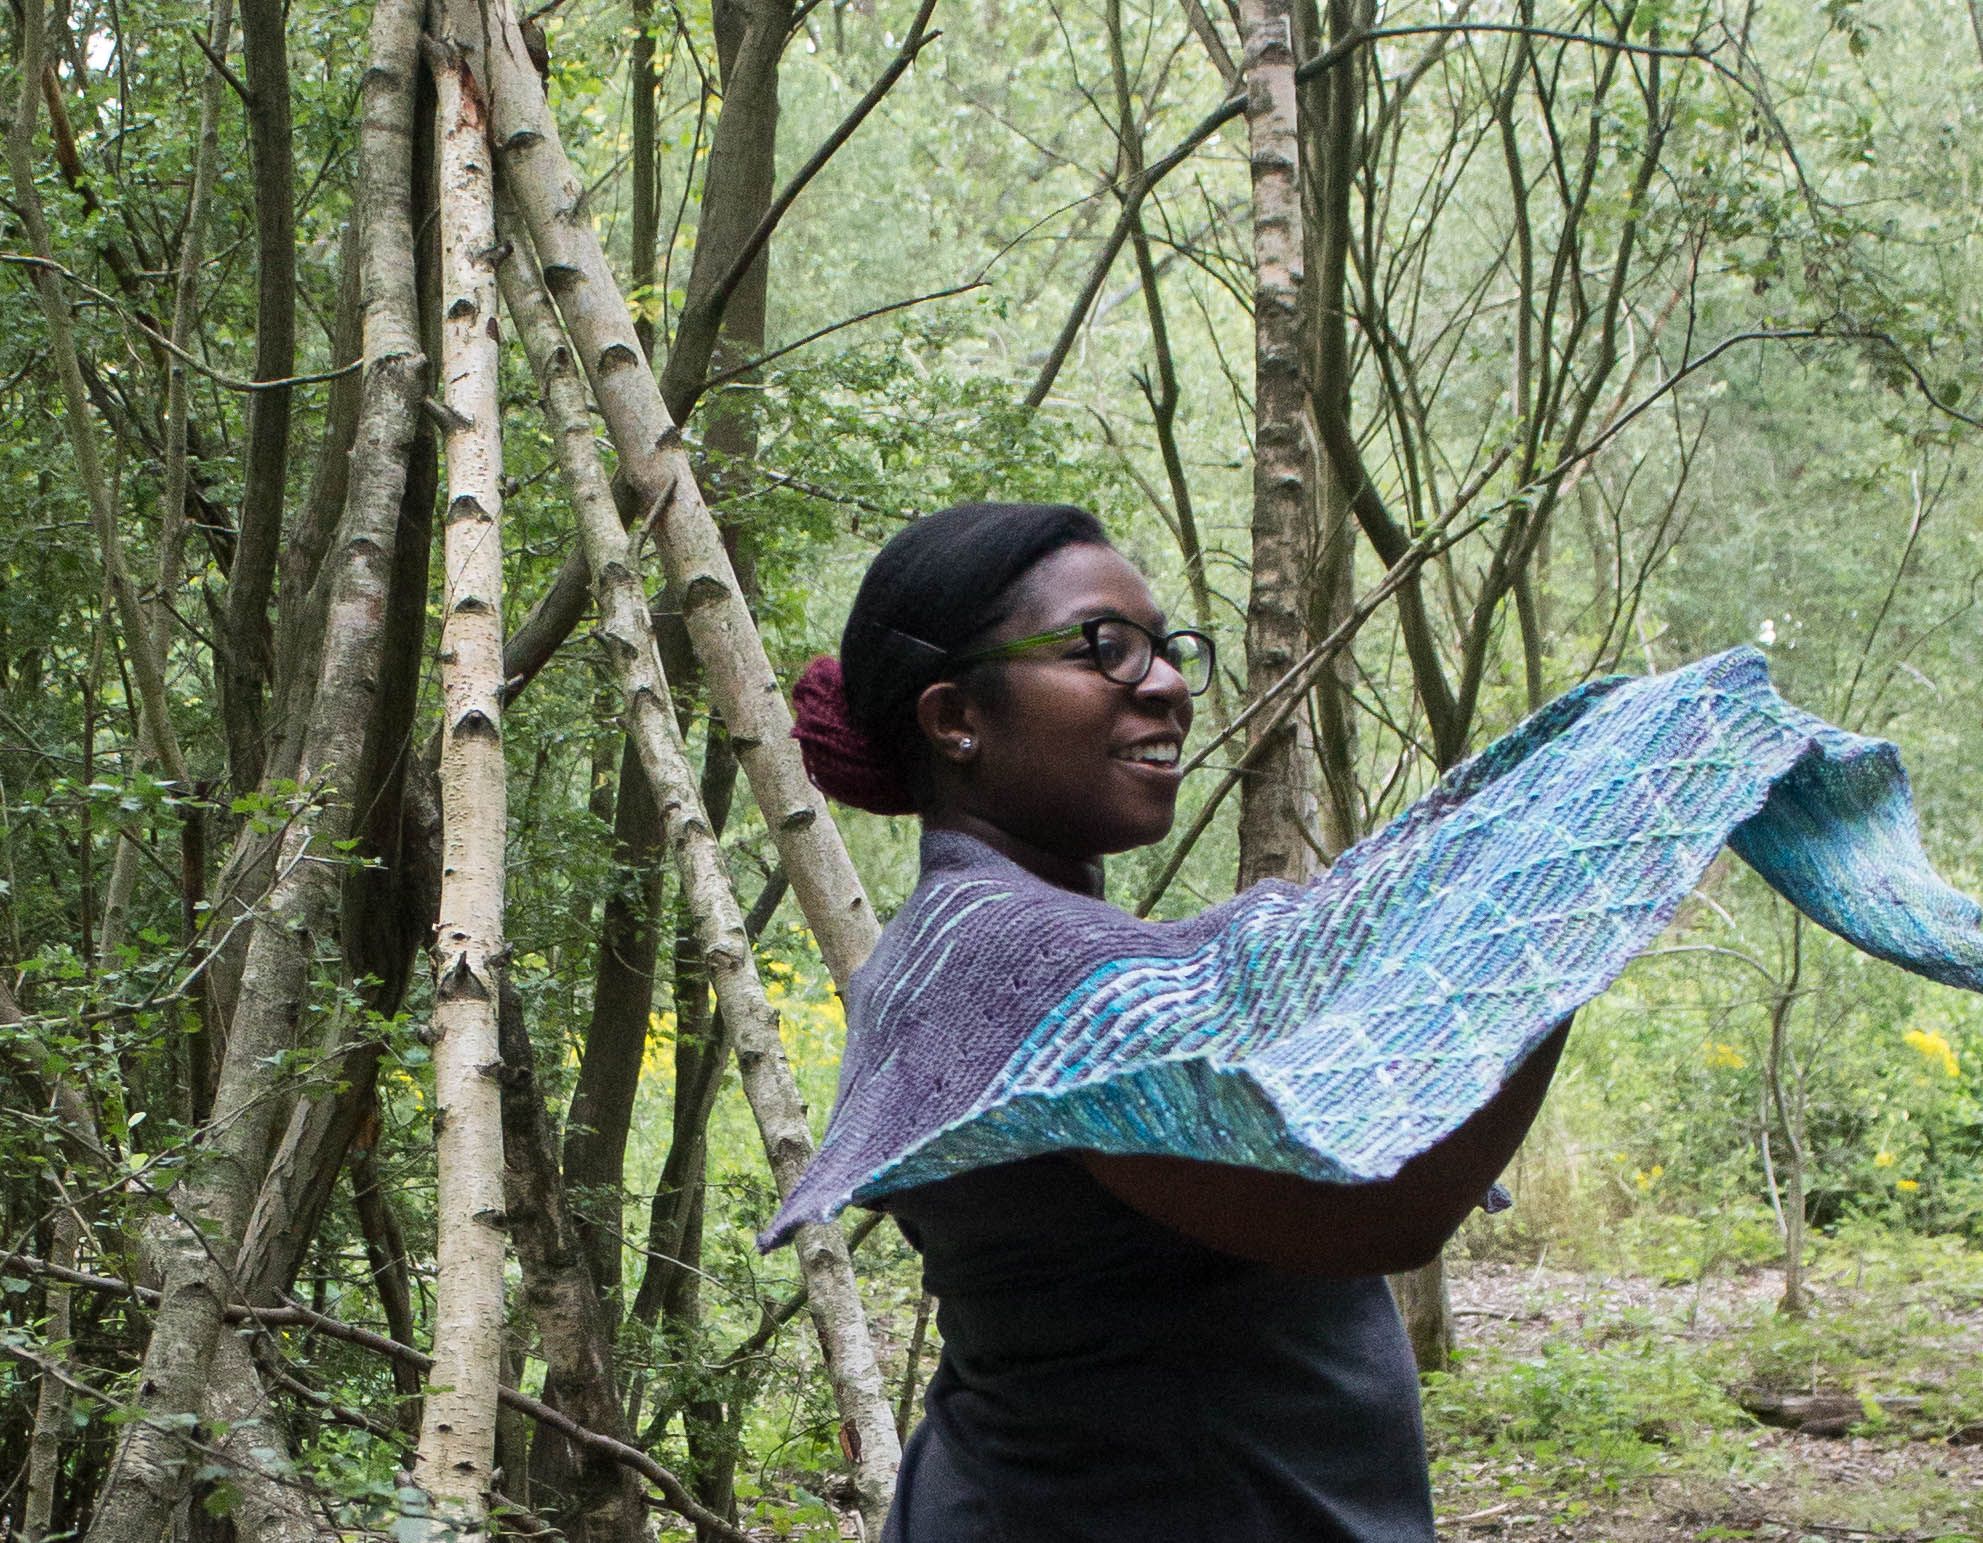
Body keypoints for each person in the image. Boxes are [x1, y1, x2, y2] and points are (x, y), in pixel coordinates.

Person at [785, 502, 1568, 1541]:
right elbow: (1377, 1211)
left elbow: (1280, 1030)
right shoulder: (1015, 960)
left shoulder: (981, 944)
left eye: (1165, 648)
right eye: (1101, 647)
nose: (1162, 682)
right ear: (952, 716)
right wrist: (1566, 916)